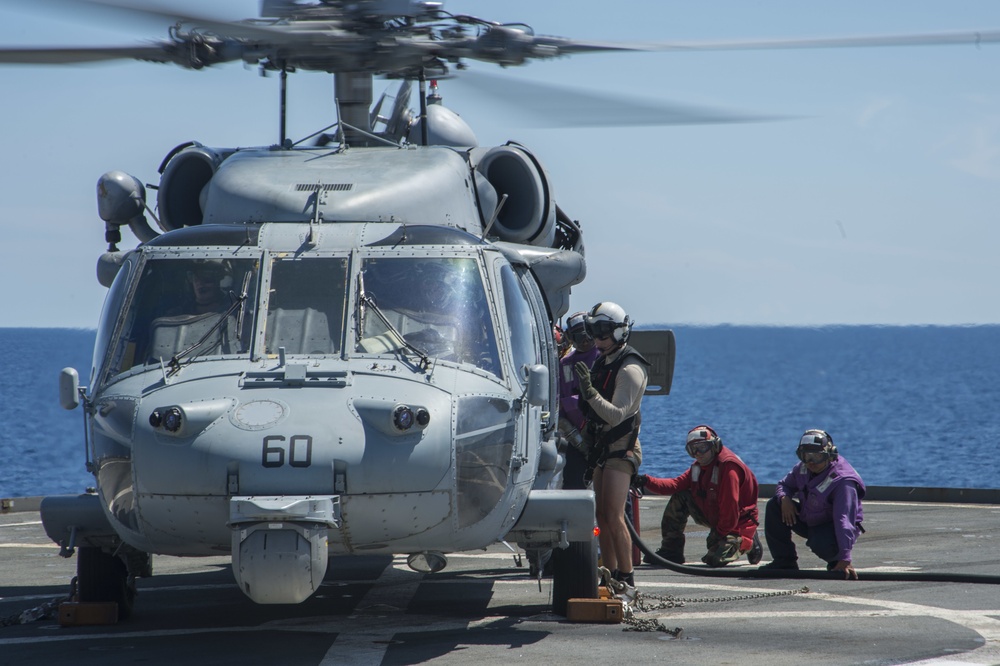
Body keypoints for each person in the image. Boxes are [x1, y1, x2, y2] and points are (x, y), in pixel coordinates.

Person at [575, 302, 649, 591]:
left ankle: (627, 577)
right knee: (602, 515)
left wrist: (590, 393)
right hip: (602, 446)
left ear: (619, 332)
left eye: (603, 333)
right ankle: (609, 572)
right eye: (595, 332)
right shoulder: (603, 361)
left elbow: (617, 414)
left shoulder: (630, 368)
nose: (598, 340)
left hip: (621, 446)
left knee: (615, 515)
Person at [634, 425, 763, 567]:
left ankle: (748, 543)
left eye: (702, 447)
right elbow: (675, 485)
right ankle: (671, 550)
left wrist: (719, 534)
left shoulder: (728, 467)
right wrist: (646, 481)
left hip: (737, 523)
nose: (698, 453)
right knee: (681, 495)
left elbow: (730, 507)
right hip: (716, 516)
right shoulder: (698, 467)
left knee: (715, 560)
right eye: (692, 449)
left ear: (714, 445)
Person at [759, 429, 865, 580]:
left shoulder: (843, 482)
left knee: (820, 541)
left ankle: (836, 561)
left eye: (817, 456)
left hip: (831, 527)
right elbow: (784, 485)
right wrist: (784, 498)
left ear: (830, 454)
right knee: (774, 506)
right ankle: (784, 561)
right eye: (805, 456)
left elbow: (845, 521)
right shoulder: (803, 468)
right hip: (809, 517)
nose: (810, 462)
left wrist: (845, 558)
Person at [557, 312, 601, 490]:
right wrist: (578, 441)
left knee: (612, 488)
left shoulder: (602, 358)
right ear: (571, 338)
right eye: (579, 337)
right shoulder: (566, 364)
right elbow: (558, 404)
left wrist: (568, 403)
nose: (584, 341)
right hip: (575, 439)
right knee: (573, 484)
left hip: (602, 437)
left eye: (588, 335)